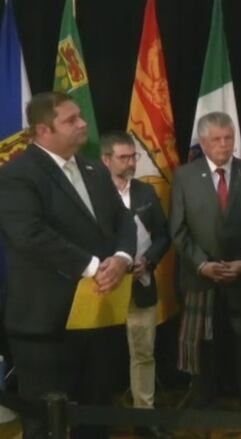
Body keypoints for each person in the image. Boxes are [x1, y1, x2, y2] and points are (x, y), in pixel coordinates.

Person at [0, 92, 136, 439]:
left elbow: (124, 221)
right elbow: (28, 234)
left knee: (95, 418)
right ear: (43, 131)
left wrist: (121, 259)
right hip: (45, 325)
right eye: (72, 120)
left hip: (97, 318)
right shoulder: (17, 174)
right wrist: (94, 266)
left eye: (81, 117)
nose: (83, 124)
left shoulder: (92, 168)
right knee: (47, 425)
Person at [170, 111, 241, 410]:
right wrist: (202, 265)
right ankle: (204, 410)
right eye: (216, 139)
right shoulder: (184, 176)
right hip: (200, 281)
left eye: (228, 138)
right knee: (202, 350)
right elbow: (178, 231)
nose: (224, 145)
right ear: (203, 143)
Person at [100, 131, 171, 438]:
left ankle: (144, 419)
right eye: (124, 157)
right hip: (101, 289)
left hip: (140, 285)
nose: (131, 162)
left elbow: (164, 235)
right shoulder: (93, 194)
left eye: (134, 156)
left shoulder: (145, 192)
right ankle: (96, 417)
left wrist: (150, 260)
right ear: (105, 160)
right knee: (97, 357)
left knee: (143, 353)